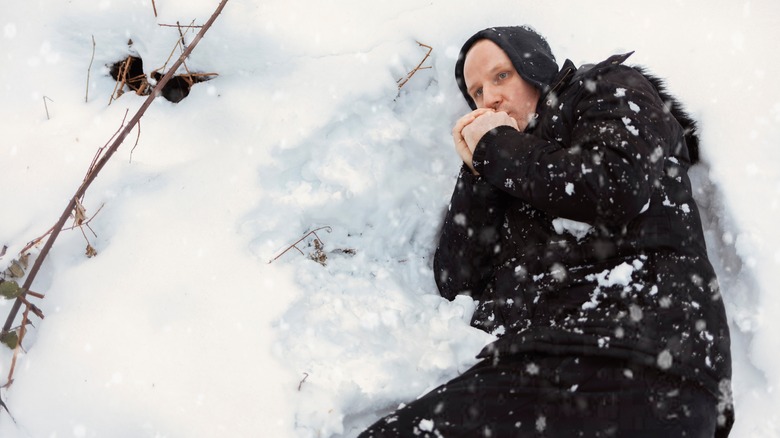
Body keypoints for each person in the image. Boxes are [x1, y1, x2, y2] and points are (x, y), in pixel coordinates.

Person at [359, 26, 733, 437]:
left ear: (535, 68)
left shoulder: (604, 87)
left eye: (501, 76)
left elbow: (614, 185)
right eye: (478, 93)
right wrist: (479, 171)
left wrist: (497, 148)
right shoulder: (513, 170)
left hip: (638, 356)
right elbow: (457, 282)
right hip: (541, 366)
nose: (490, 98)